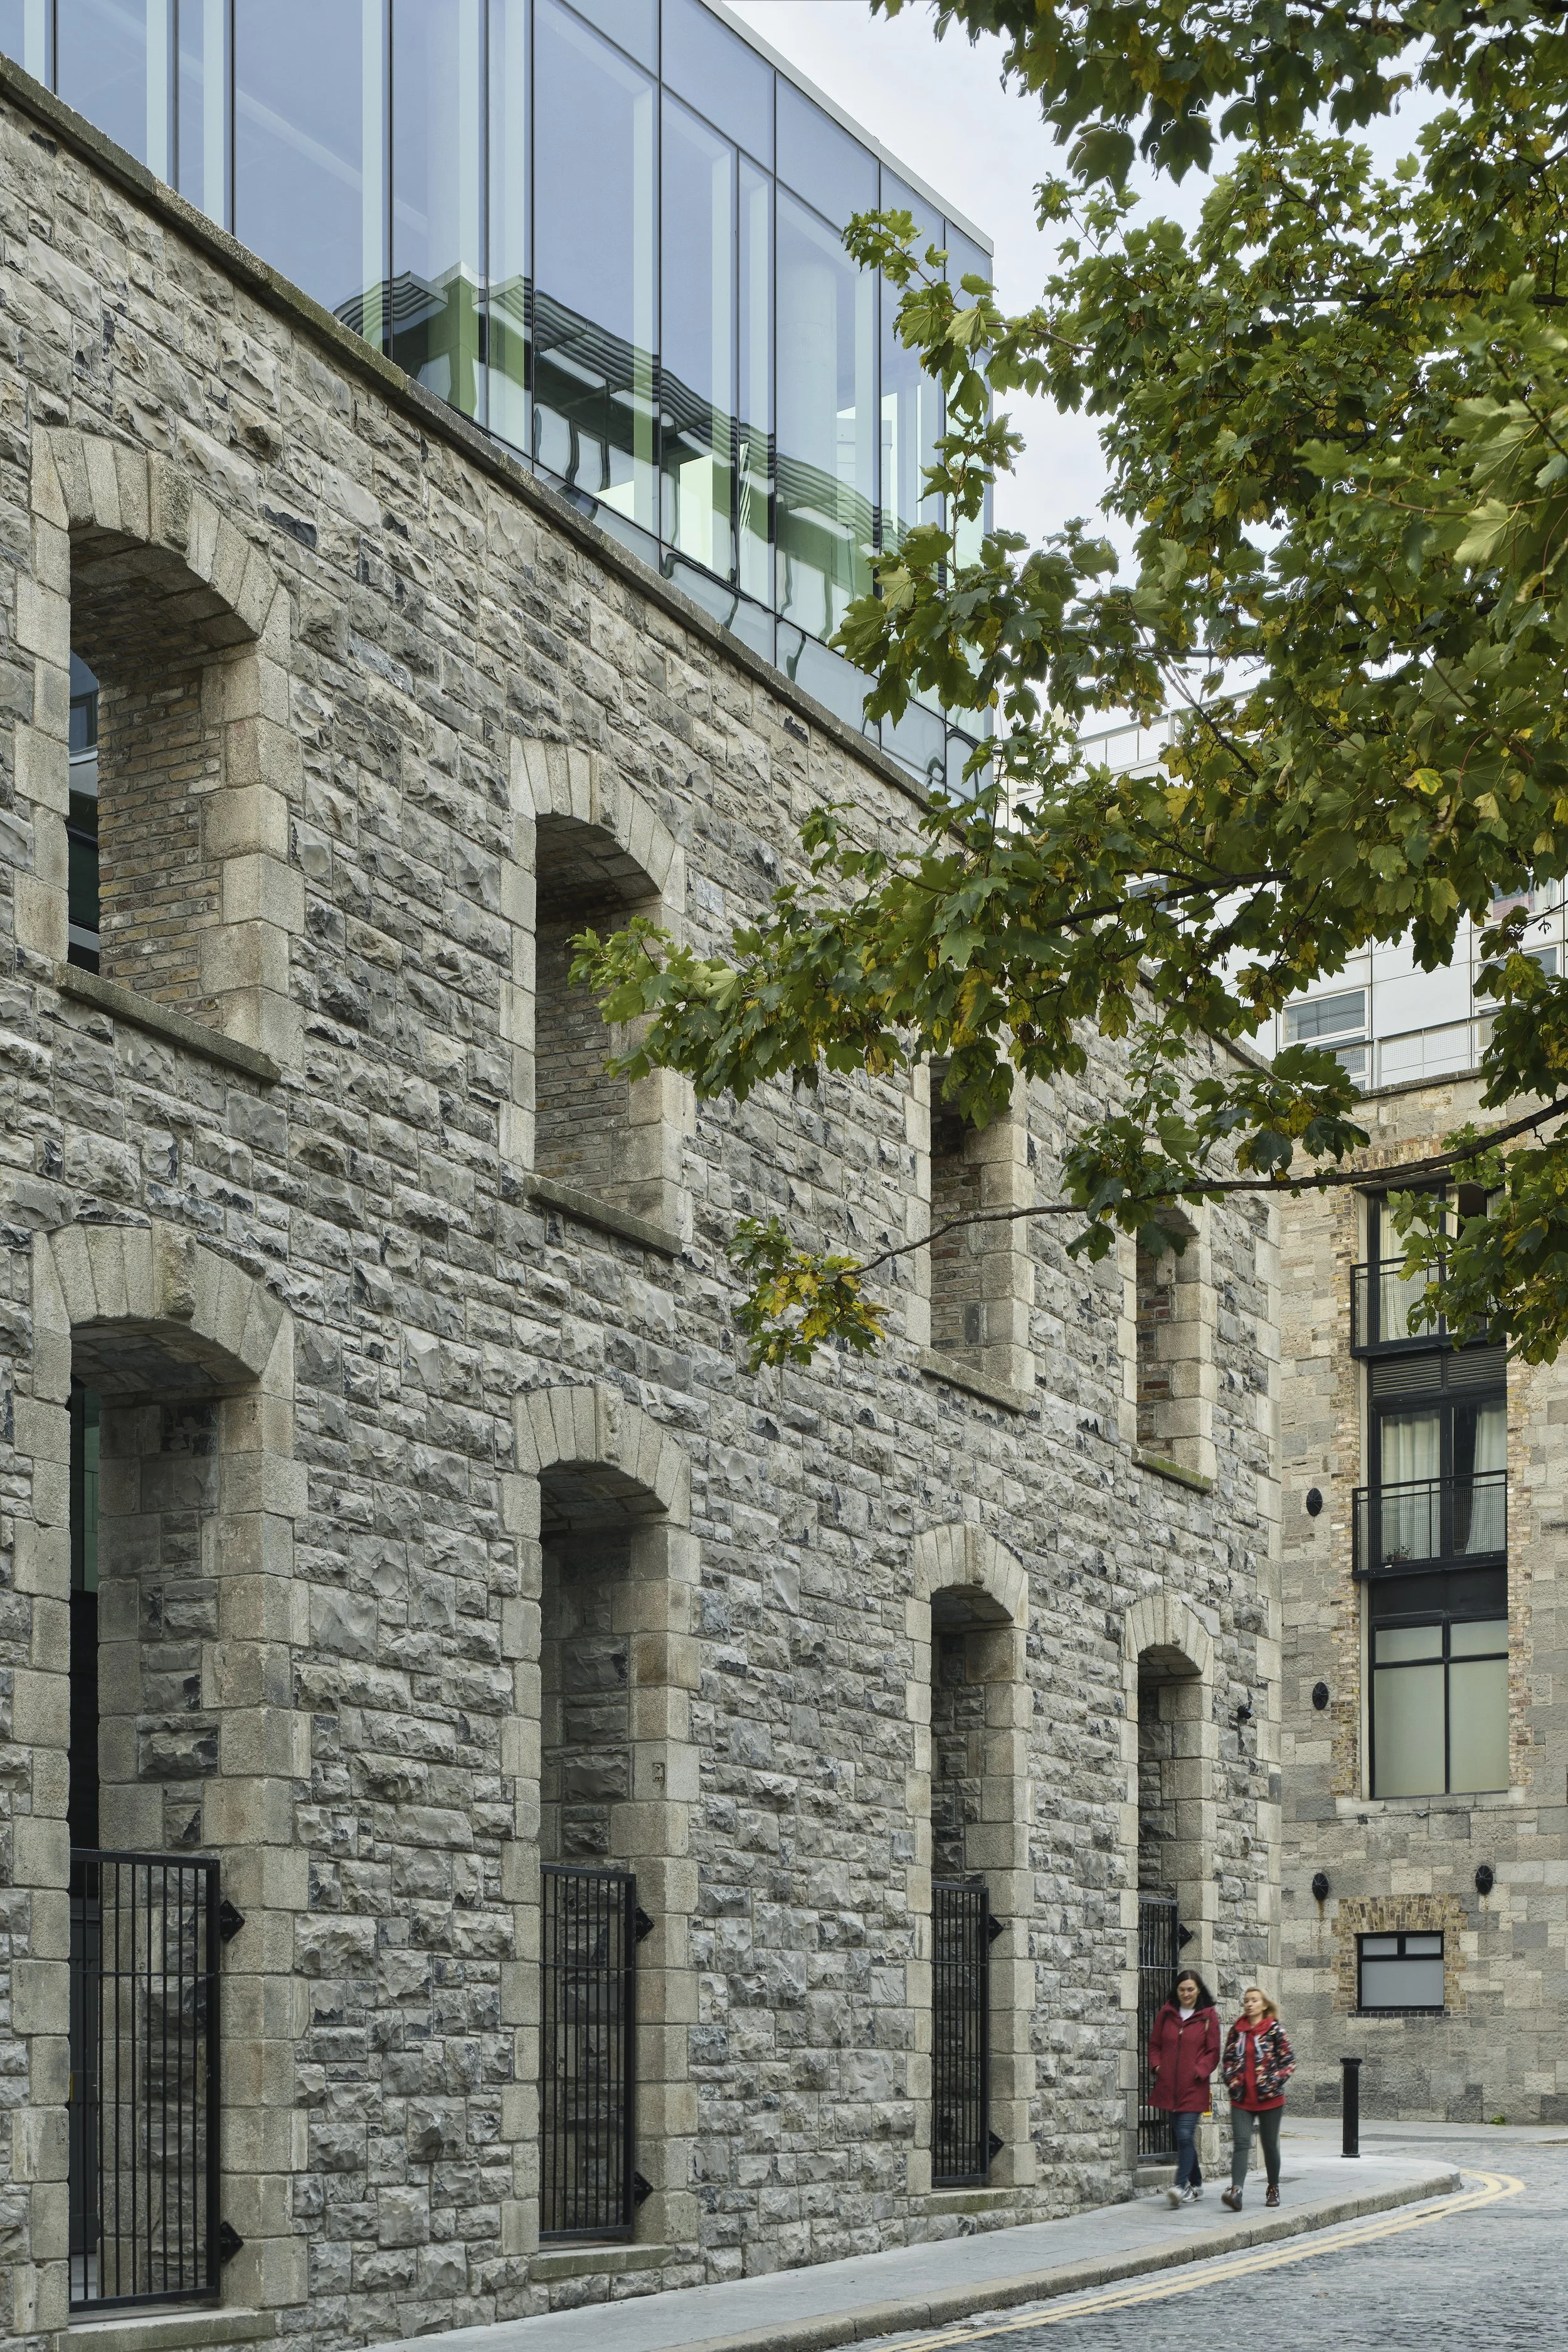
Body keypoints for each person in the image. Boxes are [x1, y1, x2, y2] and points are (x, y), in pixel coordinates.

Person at [1146, 1969, 1221, 2206]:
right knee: (1182, 2137)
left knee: (1186, 2134)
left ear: (1199, 1990)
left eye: (1191, 1989)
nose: (1186, 1994)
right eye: (1182, 1989)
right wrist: (1158, 2067)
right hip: (1169, 2088)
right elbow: (1155, 2045)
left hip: (1194, 2089)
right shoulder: (1167, 2014)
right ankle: (1197, 2184)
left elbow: (1213, 2053)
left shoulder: (1208, 2017)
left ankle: (1181, 2186)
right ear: (1176, 1991)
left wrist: (1198, 2072)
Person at [1219, 1985, 1296, 2210]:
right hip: (1242, 2099)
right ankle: (1236, 2191)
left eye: (1254, 2000)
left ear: (1263, 2005)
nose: (1249, 2004)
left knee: (1270, 2145)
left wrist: (1274, 2081)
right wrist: (1233, 2081)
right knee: (1241, 2143)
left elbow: (1289, 2062)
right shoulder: (1237, 2031)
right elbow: (1228, 2060)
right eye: (1246, 2001)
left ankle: (1273, 2187)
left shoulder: (1274, 2030)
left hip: (1270, 2099)